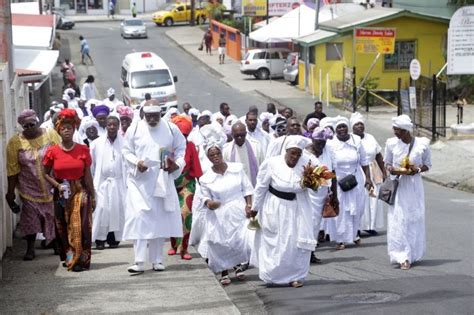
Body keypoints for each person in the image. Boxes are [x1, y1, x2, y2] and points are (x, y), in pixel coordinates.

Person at [122, 100, 186, 273]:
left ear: (160, 114)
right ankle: (139, 261)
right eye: (148, 116)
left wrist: (176, 164)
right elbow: (126, 151)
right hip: (139, 182)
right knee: (140, 217)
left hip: (161, 180)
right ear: (143, 114)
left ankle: (157, 260)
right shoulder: (134, 128)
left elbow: (181, 149)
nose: (151, 120)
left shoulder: (171, 128)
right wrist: (137, 162)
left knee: (159, 219)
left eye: (155, 116)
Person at [250, 136, 316, 288]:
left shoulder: (307, 165)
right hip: (275, 206)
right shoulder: (271, 164)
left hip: (298, 207)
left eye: (298, 154)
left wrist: (312, 183)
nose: (295, 157)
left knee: (295, 242)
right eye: (292, 153)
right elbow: (261, 187)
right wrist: (255, 208)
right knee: (275, 242)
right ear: (286, 151)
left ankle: (296, 276)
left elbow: (317, 185)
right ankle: (273, 275)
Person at [43, 109, 95, 272]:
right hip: (61, 191)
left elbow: (87, 175)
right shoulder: (52, 151)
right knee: (62, 225)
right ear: (58, 131)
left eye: (70, 128)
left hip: (80, 190)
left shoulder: (83, 150)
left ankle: (81, 259)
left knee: (83, 226)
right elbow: (44, 173)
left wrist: (93, 196)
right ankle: (69, 256)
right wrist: (57, 185)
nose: (66, 130)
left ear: (74, 130)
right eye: (63, 128)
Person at [6, 110, 61, 260]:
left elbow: (60, 157)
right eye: (26, 126)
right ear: (22, 127)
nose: (29, 128)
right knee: (30, 217)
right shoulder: (15, 143)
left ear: (37, 122)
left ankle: (55, 243)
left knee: (52, 215)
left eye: (32, 124)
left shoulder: (50, 135)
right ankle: (30, 248)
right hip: (28, 187)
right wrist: (10, 192)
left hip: (50, 185)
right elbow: (12, 169)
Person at [200, 131, 253, 285]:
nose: (215, 156)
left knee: (239, 239)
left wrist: (249, 205)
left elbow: (247, 188)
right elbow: (204, 197)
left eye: (217, 153)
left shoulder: (236, 169)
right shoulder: (205, 178)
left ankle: (238, 266)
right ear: (208, 158)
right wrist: (210, 203)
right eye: (212, 155)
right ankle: (224, 270)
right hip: (219, 213)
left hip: (237, 208)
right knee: (221, 242)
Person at [384, 114, 431, 270]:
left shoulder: (421, 144)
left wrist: (416, 169)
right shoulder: (391, 144)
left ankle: (412, 252)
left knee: (413, 218)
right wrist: (391, 168)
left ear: (406, 131)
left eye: (398, 130)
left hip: (414, 185)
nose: (395, 132)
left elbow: (427, 165)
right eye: (394, 129)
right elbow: (387, 163)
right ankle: (401, 256)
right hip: (398, 186)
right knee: (399, 219)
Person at [326, 116, 373, 250]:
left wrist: (368, 178)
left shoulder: (356, 140)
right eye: (339, 127)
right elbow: (329, 165)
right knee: (341, 210)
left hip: (356, 179)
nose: (341, 129)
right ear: (335, 130)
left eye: (343, 126)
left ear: (347, 127)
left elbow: (364, 161)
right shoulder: (331, 144)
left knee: (357, 208)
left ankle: (354, 235)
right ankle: (340, 239)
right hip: (338, 181)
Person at [167, 116, 203, 260]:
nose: (183, 138)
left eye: (185, 135)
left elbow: (196, 167)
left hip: (186, 184)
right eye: (181, 135)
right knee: (171, 215)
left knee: (186, 214)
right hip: (170, 184)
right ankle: (174, 244)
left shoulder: (190, 146)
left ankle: (184, 248)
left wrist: (204, 186)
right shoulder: (168, 147)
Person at [91, 116, 126, 250]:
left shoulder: (124, 142)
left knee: (116, 209)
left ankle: (114, 238)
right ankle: (100, 238)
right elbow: (92, 165)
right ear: (105, 126)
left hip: (118, 182)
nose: (112, 127)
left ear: (118, 127)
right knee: (102, 209)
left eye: (114, 125)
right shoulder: (96, 143)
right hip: (102, 182)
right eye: (109, 124)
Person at [305, 126, 337, 262]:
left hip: (323, 193)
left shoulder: (329, 151)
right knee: (307, 223)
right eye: (318, 142)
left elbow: (333, 174)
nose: (321, 145)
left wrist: (334, 195)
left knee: (316, 223)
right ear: (312, 139)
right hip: (307, 194)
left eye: (323, 142)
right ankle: (304, 253)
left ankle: (310, 252)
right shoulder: (305, 153)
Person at [350, 112, 386, 236]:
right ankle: (358, 227)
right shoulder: (350, 139)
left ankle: (371, 226)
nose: (360, 126)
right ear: (352, 127)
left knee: (373, 198)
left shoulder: (370, 137)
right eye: (357, 124)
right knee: (361, 199)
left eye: (361, 124)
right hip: (358, 171)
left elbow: (379, 155)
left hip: (373, 169)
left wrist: (384, 172)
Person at [223, 122, 263, 187]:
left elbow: (262, 168)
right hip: (236, 189)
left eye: (242, 135)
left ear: (246, 134)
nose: (239, 138)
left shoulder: (256, 146)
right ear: (232, 135)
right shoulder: (226, 149)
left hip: (254, 186)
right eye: (236, 135)